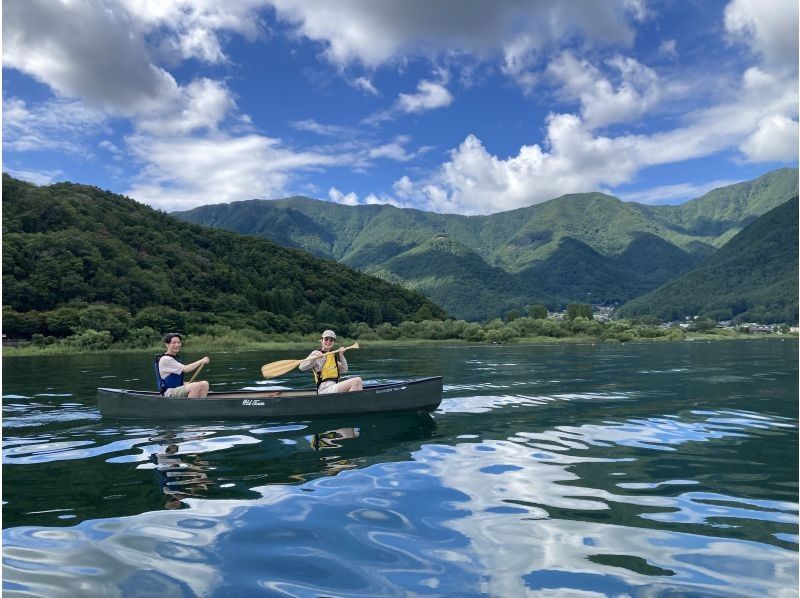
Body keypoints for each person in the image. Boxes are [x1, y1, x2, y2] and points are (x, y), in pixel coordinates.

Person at [299, 330, 363, 394]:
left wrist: (341, 355)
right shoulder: (315, 353)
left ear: (333, 342)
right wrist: (314, 357)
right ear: (321, 340)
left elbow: (344, 370)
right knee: (356, 380)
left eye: (331, 340)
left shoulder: (332, 356)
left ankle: (357, 402)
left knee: (359, 381)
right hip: (324, 389)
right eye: (326, 339)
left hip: (333, 386)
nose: (328, 342)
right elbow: (301, 367)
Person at [155, 333, 211, 398]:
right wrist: (201, 361)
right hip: (168, 392)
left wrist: (183, 383)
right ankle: (189, 407)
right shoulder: (165, 359)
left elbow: (173, 379)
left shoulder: (175, 358)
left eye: (179, 342)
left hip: (176, 389)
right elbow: (186, 369)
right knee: (195, 386)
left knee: (205, 384)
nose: (177, 345)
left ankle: (200, 405)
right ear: (167, 345)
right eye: (174, 343)